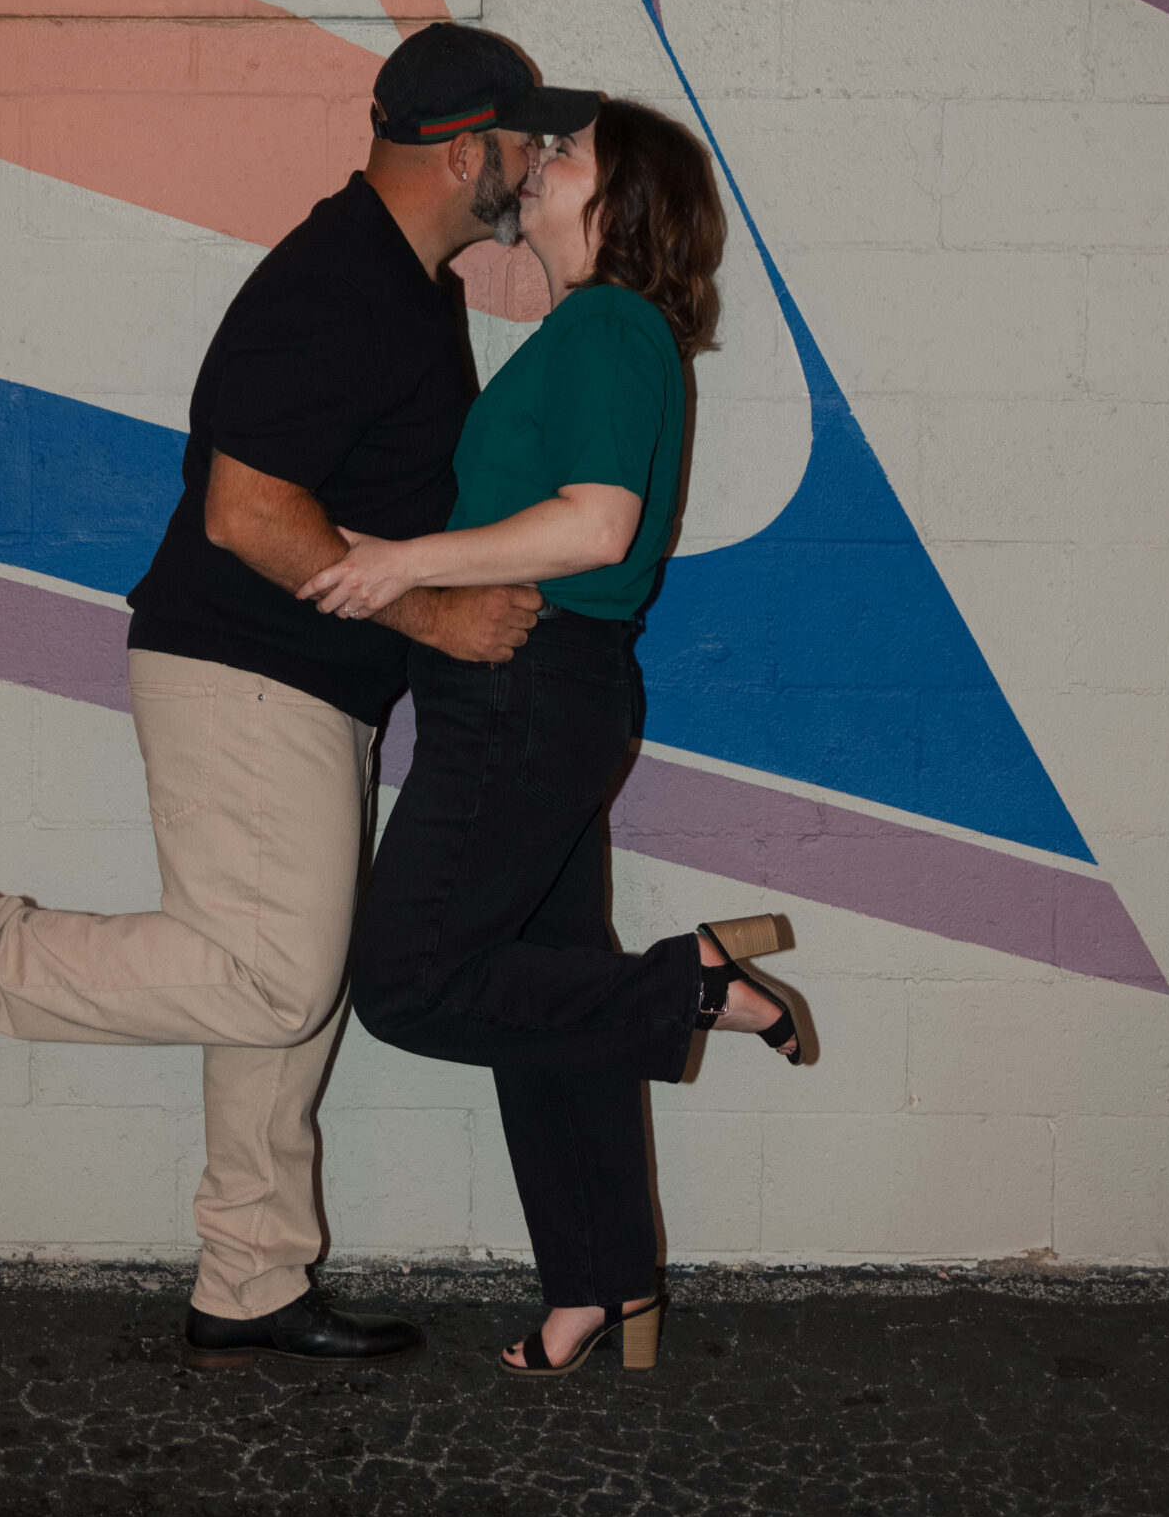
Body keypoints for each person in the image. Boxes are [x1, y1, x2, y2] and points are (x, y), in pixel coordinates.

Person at [0, 23, 600, 1372]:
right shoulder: (335, 282)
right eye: (521, 140)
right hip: (246, 664)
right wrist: (432, 614)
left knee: (277, 993)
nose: (531, 165)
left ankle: (247, 1282)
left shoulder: (405, 288)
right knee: (273, 977)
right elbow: (244, 512)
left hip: (316, 676)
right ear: (460, 147)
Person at [300, 99, 806, 1380]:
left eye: (570, 151)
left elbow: (592, 523)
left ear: (620, 206)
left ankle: (686, 987)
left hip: (527, 692)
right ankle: (601, 1287)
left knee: (411, 981)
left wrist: (401, 562)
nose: (541, 159)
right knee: (543, 1005)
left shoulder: (607, 324)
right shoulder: (599, 332)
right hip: (548, 695)